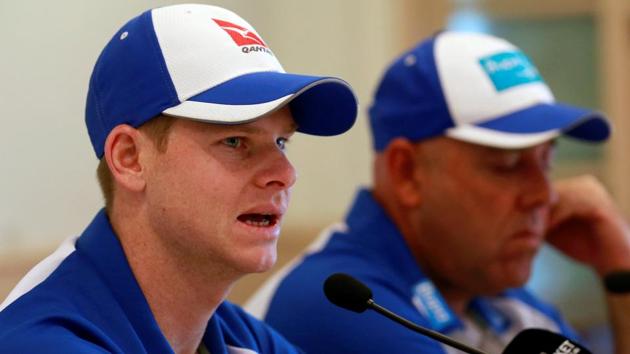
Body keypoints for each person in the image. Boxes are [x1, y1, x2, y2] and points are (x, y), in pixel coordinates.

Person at [0, 4, 358, 354]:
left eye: (281, 141)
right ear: (130, 158)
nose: (285, 174)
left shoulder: (236, 334)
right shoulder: (41, 341)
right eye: (235, 141)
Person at [246, 31, 630, 353]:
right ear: (407, 172)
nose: (543, 195)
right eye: (509, 165)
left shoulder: (492, 293)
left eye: (546, 162)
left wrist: (621, 266)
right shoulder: (345, 306)